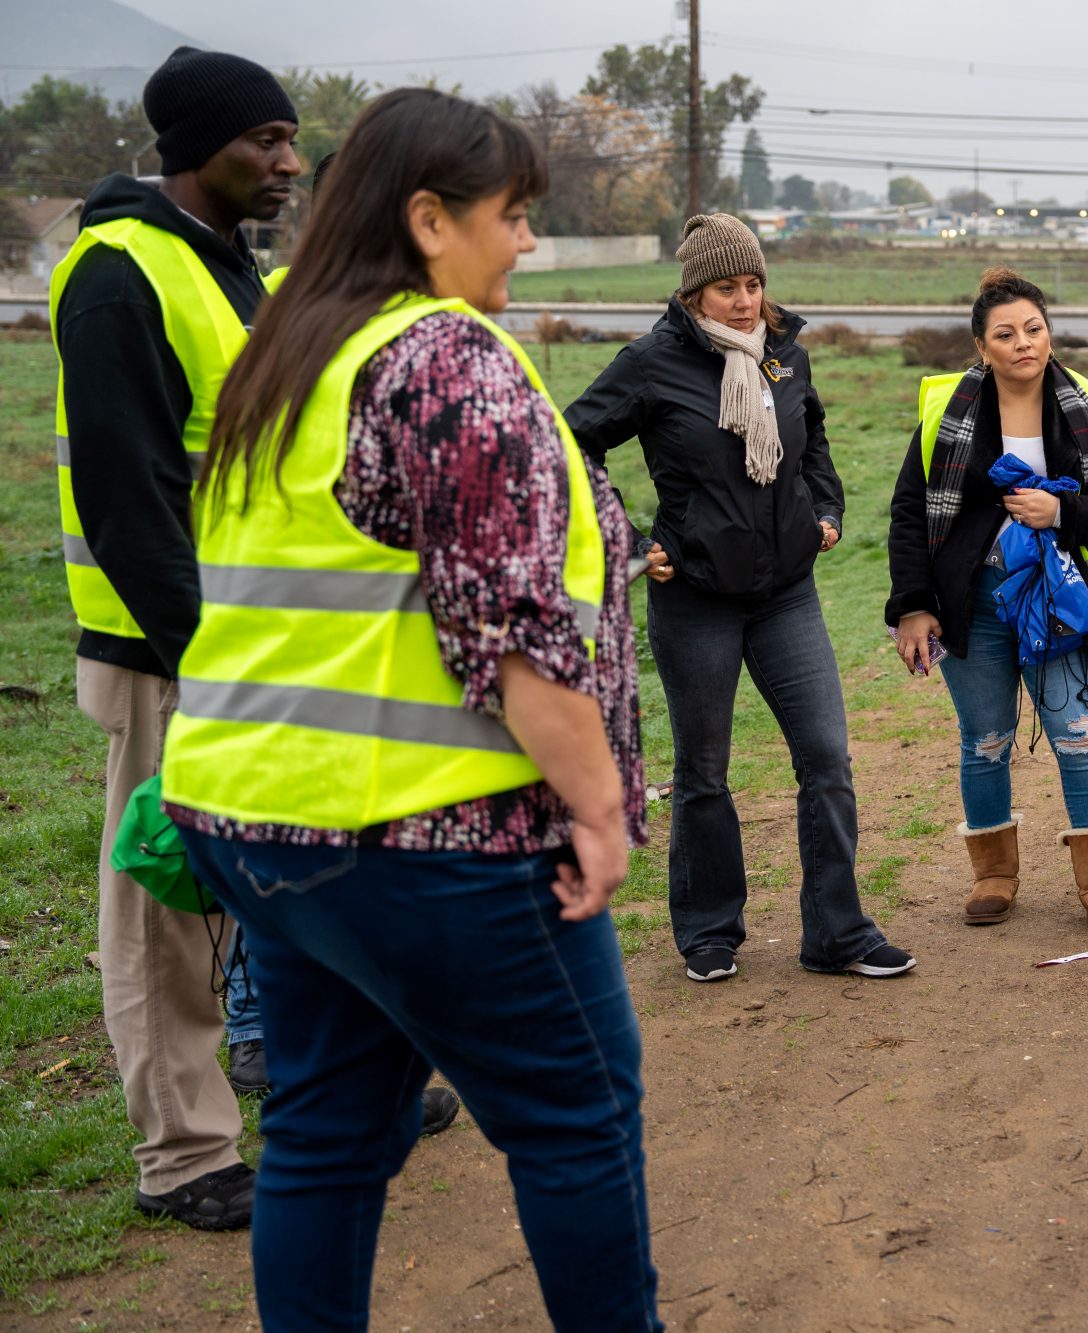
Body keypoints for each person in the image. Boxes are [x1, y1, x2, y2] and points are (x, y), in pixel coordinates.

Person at [159, 89, 660, 1328]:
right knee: (576, 1111)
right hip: (430, 835)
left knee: (326, 1132)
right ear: (429, 219)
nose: (527, 243)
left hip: (259, 825)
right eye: (514, 215)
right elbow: (509, 633)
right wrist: (600, 805)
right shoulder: (442, 358)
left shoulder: (285, 352)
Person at [48, 43, 300, 1231]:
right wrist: (204, 650)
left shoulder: (224, 268)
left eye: (291, 138)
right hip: (169, 649)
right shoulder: (119, 273)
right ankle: (185, 1153)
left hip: (259, 637)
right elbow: (127, 494)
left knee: (288, 880)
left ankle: (316, 1080)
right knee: (163, 906)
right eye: (267, 140)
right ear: (195, 148)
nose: (289, 161)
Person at [565, 213, 913, 985]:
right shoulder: (652, 363)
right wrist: (623, 539)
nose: (746, 300)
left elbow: (811, 440)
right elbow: (568, 441)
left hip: (786, 592)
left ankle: (837, 932)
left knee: (826, 756)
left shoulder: (787, 356)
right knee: (705, 773)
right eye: (728, 287)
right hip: (694, 597)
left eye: (754, 284)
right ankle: (709, 930)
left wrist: (825, 509)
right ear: (694, 293)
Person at [887, 267, 1088, 935]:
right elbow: (910, 514)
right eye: (1006, 333)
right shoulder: (947, 413)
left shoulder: (1086, 403)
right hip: (970, 603)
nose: (1024, 343)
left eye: (1034, 329)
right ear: (981, 345)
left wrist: (1060, 509)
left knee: (1081, 736)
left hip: (1060, 600)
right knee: (985, 740)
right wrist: (913, 605)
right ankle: (993, 875)